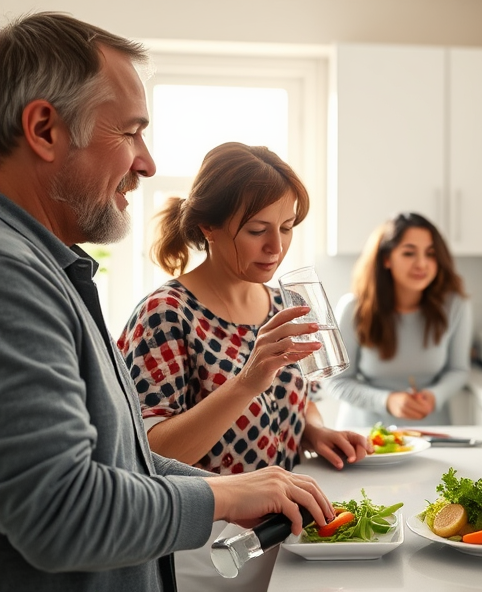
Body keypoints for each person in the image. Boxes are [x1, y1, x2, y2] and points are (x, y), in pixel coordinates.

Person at [0, 13, 336, 592]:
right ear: (45, 129)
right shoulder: (14, 275)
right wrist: (223, 492)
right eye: (130, 132)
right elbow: (60, 511)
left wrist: (253, 483)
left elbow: (123, 461)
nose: (148, 163)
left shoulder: (51, 270)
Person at [117, 142, 371, 590]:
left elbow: (302, 393)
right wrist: (247, 382)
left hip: (289, 531)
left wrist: (313, 429)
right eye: (257, 230)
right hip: (209, 549)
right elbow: (150, 457)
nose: (277, 246)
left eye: (288, 227)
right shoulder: (166, 313)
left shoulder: (286, 301)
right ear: (207, 226)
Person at [325, 212, 473, 428]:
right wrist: (387, 401)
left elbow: (458, 370)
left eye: (431, 254)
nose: (422, 263)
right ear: (386, 259)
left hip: (432, 430)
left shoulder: (456, 306)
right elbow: (336, 381)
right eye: (409, 253)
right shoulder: (353, 309)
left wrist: (434, 396)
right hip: (365, 434)